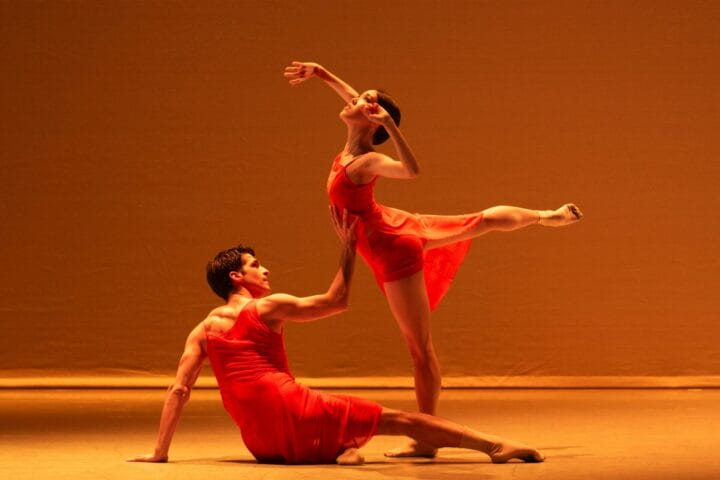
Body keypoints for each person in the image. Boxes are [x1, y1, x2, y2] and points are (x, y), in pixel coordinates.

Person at [284, 61, 583, 457]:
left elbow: (412, 170)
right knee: (477, 221)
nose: (354, 99)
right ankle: (547, 216)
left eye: (364, 101)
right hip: (389, 224)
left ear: (372, 120)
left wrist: (391, 126)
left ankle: (427, 438)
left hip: (390, 246)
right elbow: (353, 98)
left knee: (420, 349)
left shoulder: (367, 160)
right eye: (357, 97)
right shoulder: (352, 146)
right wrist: (321, 73)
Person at [127, 210, 544, 465]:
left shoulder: (202, 329)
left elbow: (179, 389)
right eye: (257, 265)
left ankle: (344, 448)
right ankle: (493, 446)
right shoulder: (266, 308)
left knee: (344, 427)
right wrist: (348, 246)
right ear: (237, 277)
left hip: (260, 442)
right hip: (292, 409)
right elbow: (337, 301)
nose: (266, 270)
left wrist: (161, 452)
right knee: (400, 420)